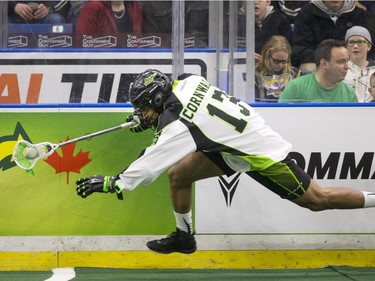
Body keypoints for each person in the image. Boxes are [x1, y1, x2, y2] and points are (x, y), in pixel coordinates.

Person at [75, 68, 375, 255]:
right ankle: (184, 238)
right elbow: (180, 114)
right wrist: (151, 119)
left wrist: (112, 182)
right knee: (180, 175)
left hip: (258, 153)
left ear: (156, 100)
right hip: (230, 143)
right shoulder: (187, 80)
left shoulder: (178, 126)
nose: (143, 112)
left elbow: (148, 165)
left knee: (317, 200)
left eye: (144, 107)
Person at [293, 0, 366, 73]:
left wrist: (344, 58)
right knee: (308, 68)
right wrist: (329, 57)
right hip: (318, 60)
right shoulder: (306, 13)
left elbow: (367, 43)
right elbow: (300, 47)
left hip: (351, 60)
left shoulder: (360, 14)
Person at [279, 39, 358, 103]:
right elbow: (280, 118)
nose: (347, 67)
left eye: (347, 61)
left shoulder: (349, 94)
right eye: (340, 62)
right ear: (324, 63)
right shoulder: (296, 87)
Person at [255, 35, 304, 102]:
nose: (280, 65)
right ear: (267, 55)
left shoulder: (296, 74)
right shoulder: (254, 74)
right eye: (276, 61)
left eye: (284, 61)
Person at [75, 1, 142, 39]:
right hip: (102, 61)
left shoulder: (133, 5)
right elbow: (82, 42)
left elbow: (138, 41)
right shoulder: (93, 8)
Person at [343, 26, 375, 102]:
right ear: (346, 47)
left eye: (360, 42)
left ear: (369, 46)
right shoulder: (338, 70)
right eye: (351, 42)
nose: (355, 46)